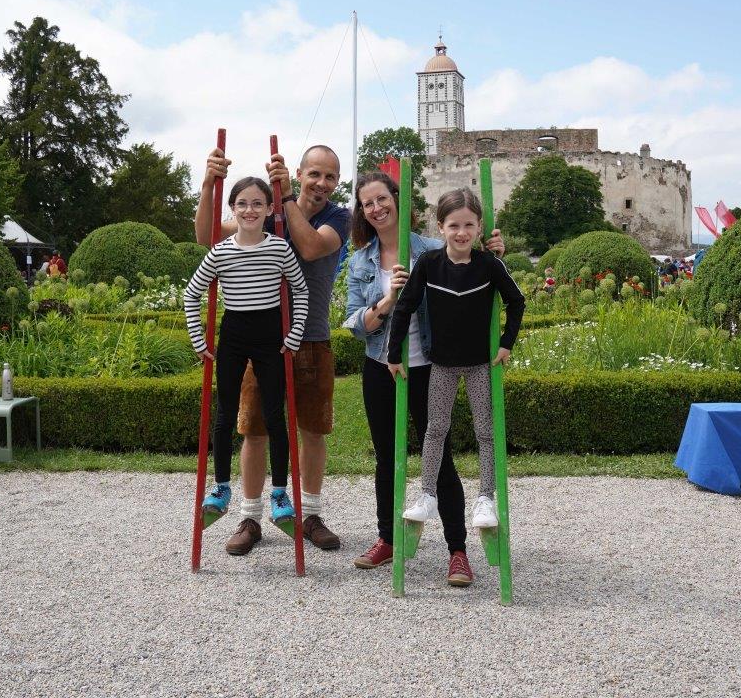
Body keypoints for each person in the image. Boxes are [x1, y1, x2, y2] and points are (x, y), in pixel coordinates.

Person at [344, 173, 505, 587]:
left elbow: (475, 259)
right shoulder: (361, 259)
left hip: (432, 365)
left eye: (382, 198)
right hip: (383, 365)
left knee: (441, 452)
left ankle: (457, 549)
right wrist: (386, 301)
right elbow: (353, 323)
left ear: (398, 200)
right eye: (367, 203)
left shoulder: (432, 247)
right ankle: (387, 539)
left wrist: (495, 250)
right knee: (386, 456)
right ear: (361, 211)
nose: (376, 208)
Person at [195, 144, 350, 556]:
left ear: (337, 183)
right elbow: (206, 236)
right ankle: (250, 516)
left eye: (330, 177)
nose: (321, 183)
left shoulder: (338, 217)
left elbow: (312, 246)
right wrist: (209, 183)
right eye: (314, 174)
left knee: (312, 430)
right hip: (262, 342)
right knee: (255, 428)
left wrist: (284, 199)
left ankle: (310, 513)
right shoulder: (264, 215)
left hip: (311, 337)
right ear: (299, 172)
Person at [390, 188, 525, 554]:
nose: (461, 232)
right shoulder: (429, 264)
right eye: (453, 225)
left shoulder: (488, 265)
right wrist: (393, 353)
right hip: (443, 365)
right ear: (441, 227)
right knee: (435, 429)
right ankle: (427, 494)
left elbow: (517, 300)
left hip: (481, 363)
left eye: (468, 225)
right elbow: (405, 307)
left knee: (486, 430)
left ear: (480, 227)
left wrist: (506, 342)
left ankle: (486, 497)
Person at [184, 176, 310, 525]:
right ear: (232, 209)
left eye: (258, 204)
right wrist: (199, 340)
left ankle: (280, 493)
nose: (250, 210)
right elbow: (191, 294)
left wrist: (295, 333)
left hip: (270, 336)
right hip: (235, 334)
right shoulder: (220, 252)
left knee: (274, 416)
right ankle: (222, 486)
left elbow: (300, 291)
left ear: (270, 209)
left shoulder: (279, 248)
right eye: (242, 203)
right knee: (225, 415)